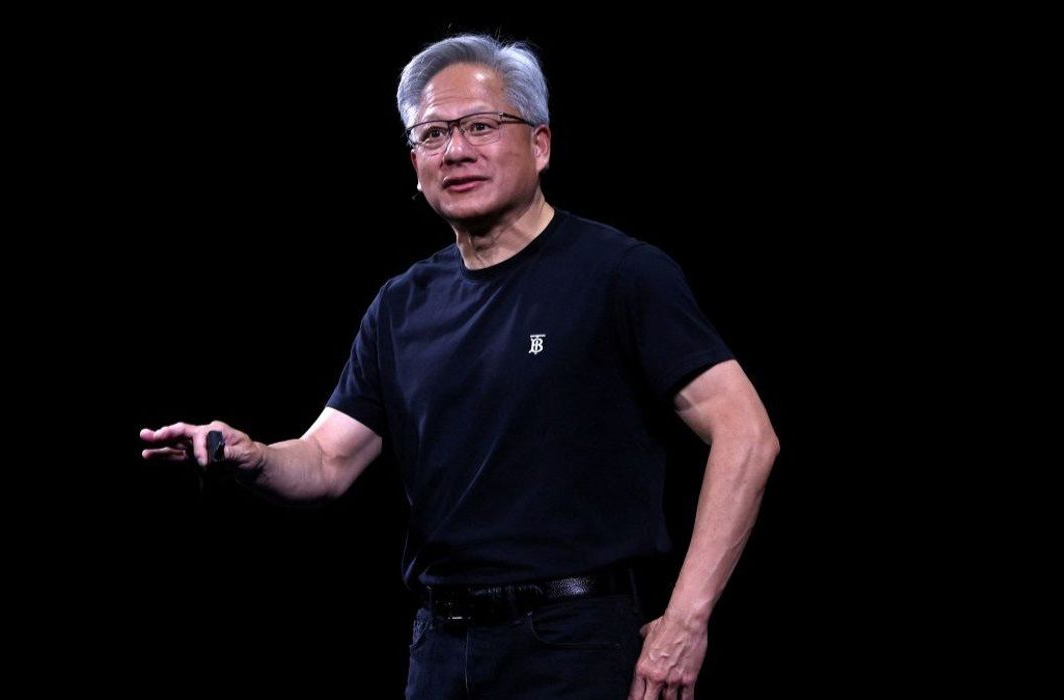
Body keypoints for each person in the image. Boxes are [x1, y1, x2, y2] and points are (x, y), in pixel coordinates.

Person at [140, 34, 778, 700]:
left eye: (480, 126)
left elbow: (746, 435)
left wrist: (686, 617)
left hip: (576, 643)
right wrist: (253, 458)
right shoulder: (401, 306)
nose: (455, 151)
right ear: (412, 162)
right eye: (432, 134)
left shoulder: (619, 274)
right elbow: (326, 462)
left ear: (539, 143)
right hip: (440, 649)